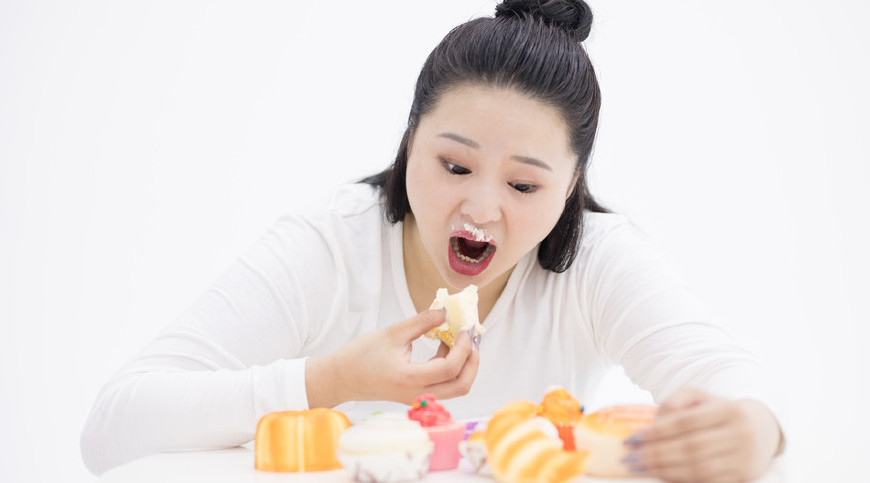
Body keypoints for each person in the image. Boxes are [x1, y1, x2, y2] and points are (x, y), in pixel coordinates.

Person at [81, 1, 785, 481]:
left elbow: (736, 379)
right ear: (409, 141)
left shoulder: (595, 261)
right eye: (453, 165)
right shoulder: (330, 246)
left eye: (524, 186)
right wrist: (331, 380)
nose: (480, 208)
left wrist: (756, 429)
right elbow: (113, 426)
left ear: (570, 188)